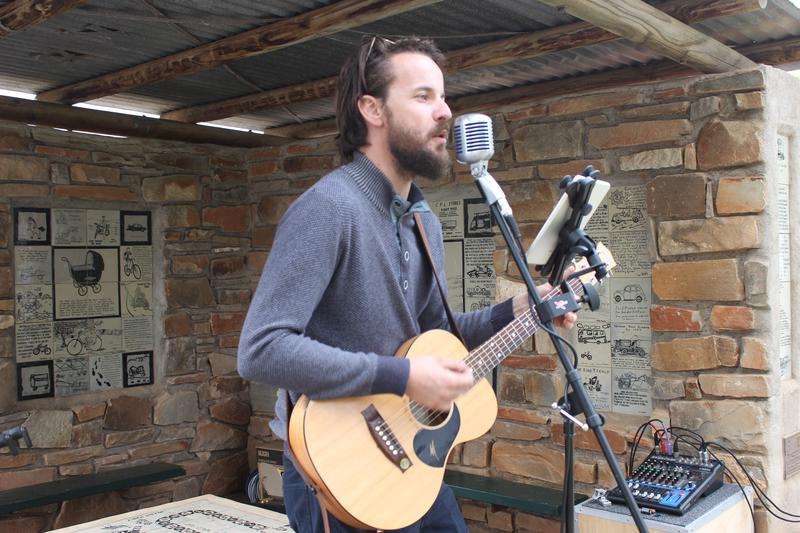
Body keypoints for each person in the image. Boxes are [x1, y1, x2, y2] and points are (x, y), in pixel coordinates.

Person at [237, 35, 576, 533]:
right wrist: (403, 378)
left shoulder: (423, 222)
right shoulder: (328, 210)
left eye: (443, 97)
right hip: (339, 470)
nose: (445, 113)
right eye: (423, 97)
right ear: (372, 110)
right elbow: (260, 350)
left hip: (408, 463)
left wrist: (520, 308)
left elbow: (438, 337)